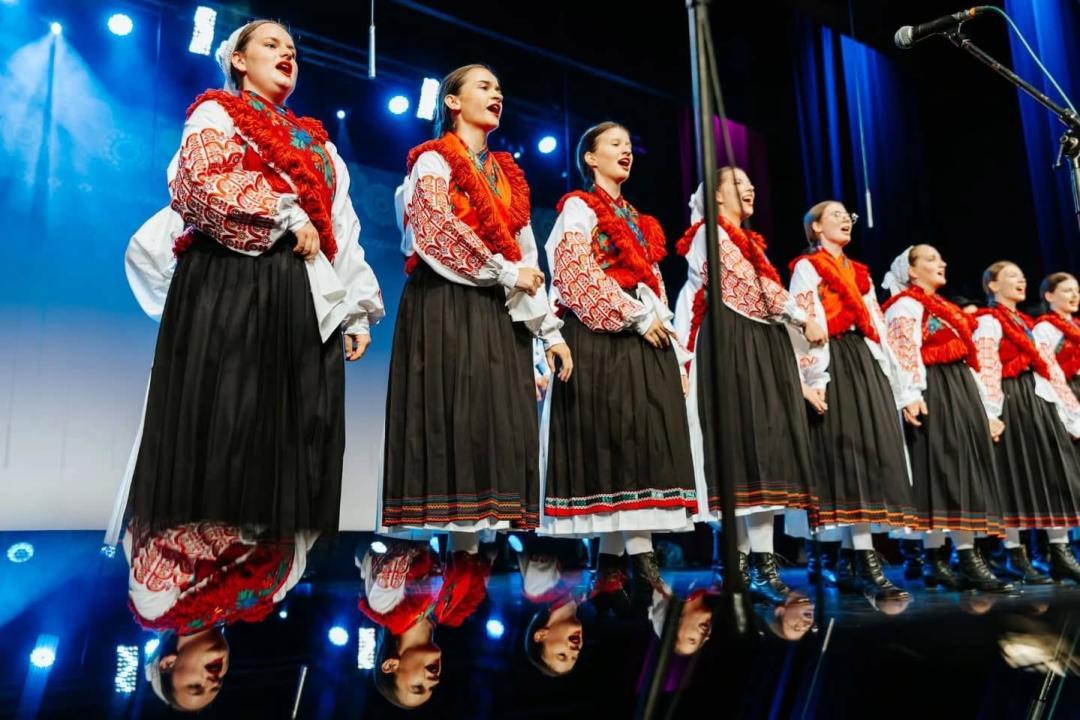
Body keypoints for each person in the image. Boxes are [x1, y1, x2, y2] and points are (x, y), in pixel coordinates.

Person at [123, 20, 384, 537]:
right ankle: (209, 553)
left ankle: (271, 563)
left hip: (302, 293)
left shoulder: (322, 148)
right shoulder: (217, 112)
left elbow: (341, 228)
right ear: (239, 61)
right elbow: (199, 180)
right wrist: (284, 214)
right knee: (230, 417)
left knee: (295, 427)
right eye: (271, 44)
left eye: (292, 49)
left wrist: (356, 310)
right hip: (232, 281)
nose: (287, 54)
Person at [382, 64, 571, 533]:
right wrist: (505, 272)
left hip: (497, 312)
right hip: (446, 302)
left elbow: (528, 259)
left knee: (495, 431)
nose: (496, 94)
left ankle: (474, 558)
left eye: (499, 88)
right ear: (452, 101)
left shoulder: (507, 175)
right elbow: (434, 230)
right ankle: (444, 555)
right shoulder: (432, 160)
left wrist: (548, 332)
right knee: (455, 423)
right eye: (484, 86)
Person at [540, 122, 696, 603]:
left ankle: (611, 569)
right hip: (601, 335)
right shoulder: (578, 207)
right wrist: (632, 315)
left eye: (629, 144)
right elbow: (571, 271)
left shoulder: (638, 219)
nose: (625, 150)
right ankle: (638, 565)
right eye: (614, 144)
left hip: (644, 335)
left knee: (641, 447)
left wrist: (674, 351)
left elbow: (655, 285)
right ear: (590, 157)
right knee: (617, 446)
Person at [672, 167, 825, 604]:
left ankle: (759, 564)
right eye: (738, 183)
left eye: (750, 182)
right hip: (733, 343)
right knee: (741, 449)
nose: (750, 188)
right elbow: (740, 284)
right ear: (717, 196)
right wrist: (800, 316)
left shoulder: (750, 243)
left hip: (761, 343)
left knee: (765, 452)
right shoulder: (707, 234)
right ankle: (741, 566)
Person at [788, 200, 913, 601]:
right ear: (815, 227)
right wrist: (811, 378)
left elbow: (877, 323)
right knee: (848, 458)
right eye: (835, 215)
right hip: (834, 359)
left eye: (848, 216)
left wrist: (900, 385)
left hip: (863, 358)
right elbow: (803, 323)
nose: (845, 220)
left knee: (871, 454)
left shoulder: (859, 272)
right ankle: (862, 559)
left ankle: (850, 560)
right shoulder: (807, 267)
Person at [880, 245, 1011, 593]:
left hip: (960, 387)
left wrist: (987, 409)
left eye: (940, 258)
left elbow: (973, 360)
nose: (942, 263)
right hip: (934, 388)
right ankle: (943, 558)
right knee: (941, 469)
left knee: (964, 468)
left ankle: (957, 556)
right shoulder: (905, 305)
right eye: (930, 259)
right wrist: (910, 394)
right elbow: (902, 351)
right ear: (911, 271)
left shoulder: (947, 308)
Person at [127, 520, 314, 711]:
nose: (213, 682)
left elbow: (163, 538)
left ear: (168, 663)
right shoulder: (263, 600)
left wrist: (248, 532)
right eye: (216, 687)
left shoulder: (156, 609)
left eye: (195, 687)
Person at [973, 261, 1080, 584]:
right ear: (993, 285)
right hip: (1012, 399)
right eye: (1011, 276)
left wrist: (1070, 412)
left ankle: (1060, 552)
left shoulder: (1026, 323)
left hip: (1036, 399)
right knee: (1013, 476)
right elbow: (986, 365)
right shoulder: (989, 320)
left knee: (1052, 473)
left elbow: (1050, 369)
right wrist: (991, 412)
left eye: (1022, 276)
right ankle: (1014, 555)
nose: (1021, 280)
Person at [359, 536, 491, 709]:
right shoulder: (452, 613)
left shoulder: (385, 606)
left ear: (391, 665)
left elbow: (398, 540)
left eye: (417, 687)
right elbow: (481, 555)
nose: (433, 681)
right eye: (431, 688)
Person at [1033, 272, 1080, 403]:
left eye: (1077, 291)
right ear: (1049, 296)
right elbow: (1045, 367)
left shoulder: (1078, 325)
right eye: (1067, 290)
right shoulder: (1044, 328)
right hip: (1067, 389)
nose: (1075, 295)